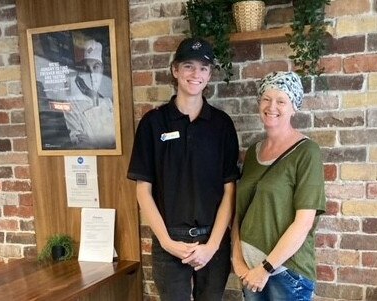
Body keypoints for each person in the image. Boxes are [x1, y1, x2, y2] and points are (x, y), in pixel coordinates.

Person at [127, 37, 240, 300]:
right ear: (175, 70)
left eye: (203, 68)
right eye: (188, 66)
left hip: (213, 241)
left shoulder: (222, 125)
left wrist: (211, 246)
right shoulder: (153, 123)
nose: (195, 74)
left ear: (210, 75)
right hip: (169, 241)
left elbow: (229, 190)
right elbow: (143, 191)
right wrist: (167, 242)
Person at [231, 71, 326, 300]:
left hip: (285, 274)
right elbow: (239, 214)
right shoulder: (253, 153)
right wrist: (237, 260)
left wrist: (265, 268)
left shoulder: (307, 152)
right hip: (250, 273)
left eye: (281, 101)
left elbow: (303, 223)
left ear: (294, 107)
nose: (272, 106)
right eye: (266, 98)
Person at [64, 39, 116, 149]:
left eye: (96, 67)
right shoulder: (71, 105)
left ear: (102, 69)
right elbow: (81, 145)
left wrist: (94, 142)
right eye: (87, 68)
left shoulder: (108, 102)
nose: (92, 73)